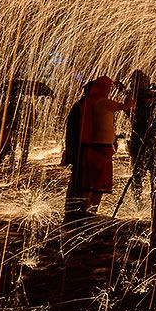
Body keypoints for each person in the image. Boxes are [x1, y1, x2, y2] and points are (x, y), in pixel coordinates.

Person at [78, 76, 134, 215]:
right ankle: (92, 212)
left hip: (90, 147)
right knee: (99, 183)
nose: (110, 91)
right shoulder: (104, 103)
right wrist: (124, 91)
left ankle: (85, 211)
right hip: (102, 148)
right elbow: (130, 104)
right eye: (109, 88)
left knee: (88, 182)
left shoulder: (89, 103)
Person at [127, 70, 156, 201]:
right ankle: (137, 199)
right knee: (139, 171)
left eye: (147, 80)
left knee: (155, 169)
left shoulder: (145, 95)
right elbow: (149, 100)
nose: (147, 83)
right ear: (136, 82)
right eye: (144, 81)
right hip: (139, 137)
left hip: (150, 137)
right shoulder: (135, 95)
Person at [62, 81, 92, 223]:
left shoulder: (81, 105)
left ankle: (74, 212)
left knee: (79, 180)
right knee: (79, 180)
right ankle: (75, 213)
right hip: (80, 150)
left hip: (78, 150)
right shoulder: (83, 107)